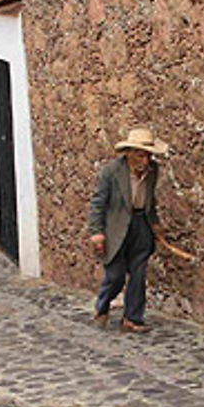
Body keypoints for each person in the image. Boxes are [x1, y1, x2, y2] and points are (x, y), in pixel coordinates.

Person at [88, 127, 169, 333]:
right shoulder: (111, 172)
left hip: (141, 225)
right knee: (115, 275)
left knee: (139, 273)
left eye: (148, 156)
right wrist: (96, 233)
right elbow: (98, 203)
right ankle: (102, 304)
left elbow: (150, 201)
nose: (145, 161)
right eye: (141, 155)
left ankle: (132, 318)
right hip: (116, 227)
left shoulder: (153, 171)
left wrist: (155, 225)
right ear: (129, 153)